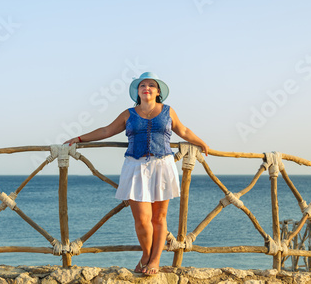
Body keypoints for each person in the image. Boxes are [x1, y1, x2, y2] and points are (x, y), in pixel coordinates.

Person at [65, 72, 208, 276]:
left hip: (162, 165)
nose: (147, 88)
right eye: (143, 85)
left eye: (151, 85)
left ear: (158, 92)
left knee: (159, 217)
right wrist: (79, 138)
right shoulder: (128, 114)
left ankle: (154, 259)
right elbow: (106, 131)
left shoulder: (168, 111)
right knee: (142, 219)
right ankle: (146, 255)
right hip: (135, 166)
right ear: (137, 91)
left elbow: (183, 131)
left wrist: (201, 142)